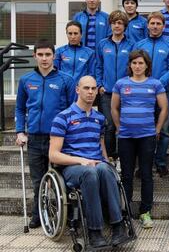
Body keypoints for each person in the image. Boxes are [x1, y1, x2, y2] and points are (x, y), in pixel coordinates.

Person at [49, 76, 129, 248]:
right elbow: (53, 155)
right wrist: (82, 161)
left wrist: (107, 162)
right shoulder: (62, 118)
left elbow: (100, 145)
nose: (91, 92)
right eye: (86, 88)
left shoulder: (99, 118)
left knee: (106, 170)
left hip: (95, 164)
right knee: (90, 172)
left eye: (93, 88)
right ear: (78, 90)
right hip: (73, 167)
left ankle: (118, 226)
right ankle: (95, 231)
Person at [15, 39, 76, 229]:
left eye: (47, 54)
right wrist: (20, 131)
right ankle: (38, 214)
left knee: (61, 178)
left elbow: (72, 109)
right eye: (40, 54)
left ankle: (62, 213)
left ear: (54, 56)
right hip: (34, 137)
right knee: (38, 180)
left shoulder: (66, 79)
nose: (44, 58)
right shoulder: (26, 80)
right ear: (34, 56)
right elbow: (19, 108)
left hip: (57, 139)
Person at [111, 50, 168, 229]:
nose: (137, 66)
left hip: (147, 137)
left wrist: (157, 130)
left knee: (146, 175)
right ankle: (126, 212)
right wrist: (120, 129)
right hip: (126, 138)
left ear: (147, 65)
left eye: (141, 63)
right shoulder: (121, 83)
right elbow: (114, 108)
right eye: (134, 63)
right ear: (130, 65)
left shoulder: (155, 84)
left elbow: (164, 108)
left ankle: (145, 212)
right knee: (126, 176)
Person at [134, 11, 169, 177]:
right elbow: (133, 66)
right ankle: (143, 165)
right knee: (142, 130)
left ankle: (160, 163)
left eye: (158, 24)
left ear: (164, 26)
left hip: (163, 93)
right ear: (147, 25)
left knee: (164, 131)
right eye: (152, 23)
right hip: (141, 94)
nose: (155, 26)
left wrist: (158, 84)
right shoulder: (139, 45)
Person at [96, 10, 134, 161]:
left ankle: (124, 157)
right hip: (107, 93)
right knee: (109, 126)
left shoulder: (132, 44)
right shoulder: (102, 44)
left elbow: (134, 67)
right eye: (114, 23)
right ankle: (110, 157)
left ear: (125, 26)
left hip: (126, 92)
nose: (117, 26)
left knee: (124, 125)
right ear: (110, 25)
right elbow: (98, 66)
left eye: (120, 23)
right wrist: (99, 85)